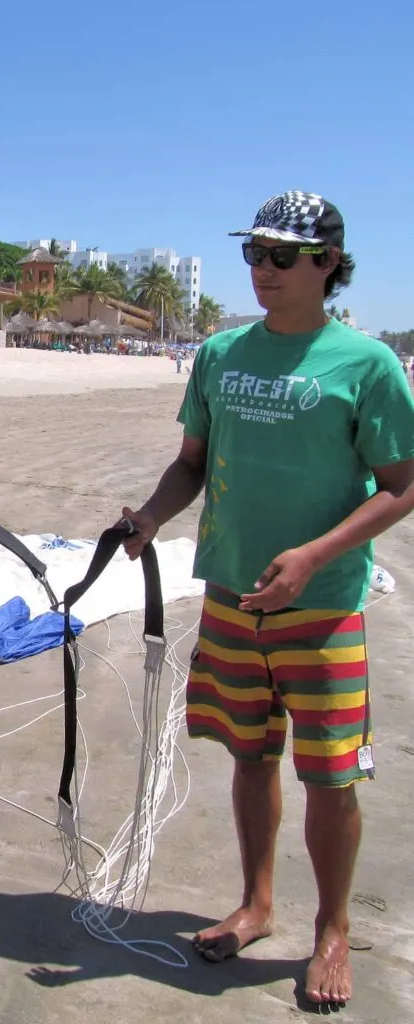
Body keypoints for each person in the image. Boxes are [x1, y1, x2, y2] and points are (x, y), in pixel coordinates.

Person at [119, 191, 414, 1006]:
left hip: (320, 607)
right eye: (253, 253)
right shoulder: (219, 355)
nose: (262, 270)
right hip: (230, 598)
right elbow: (190, 462)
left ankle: (331, 930)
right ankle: (254, 903)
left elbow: (400, 485)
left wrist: (315, 553)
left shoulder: (366, 363)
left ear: (327, 263)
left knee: (329, 776)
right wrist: (148, 516)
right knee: (250, 758)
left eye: (281, 256)